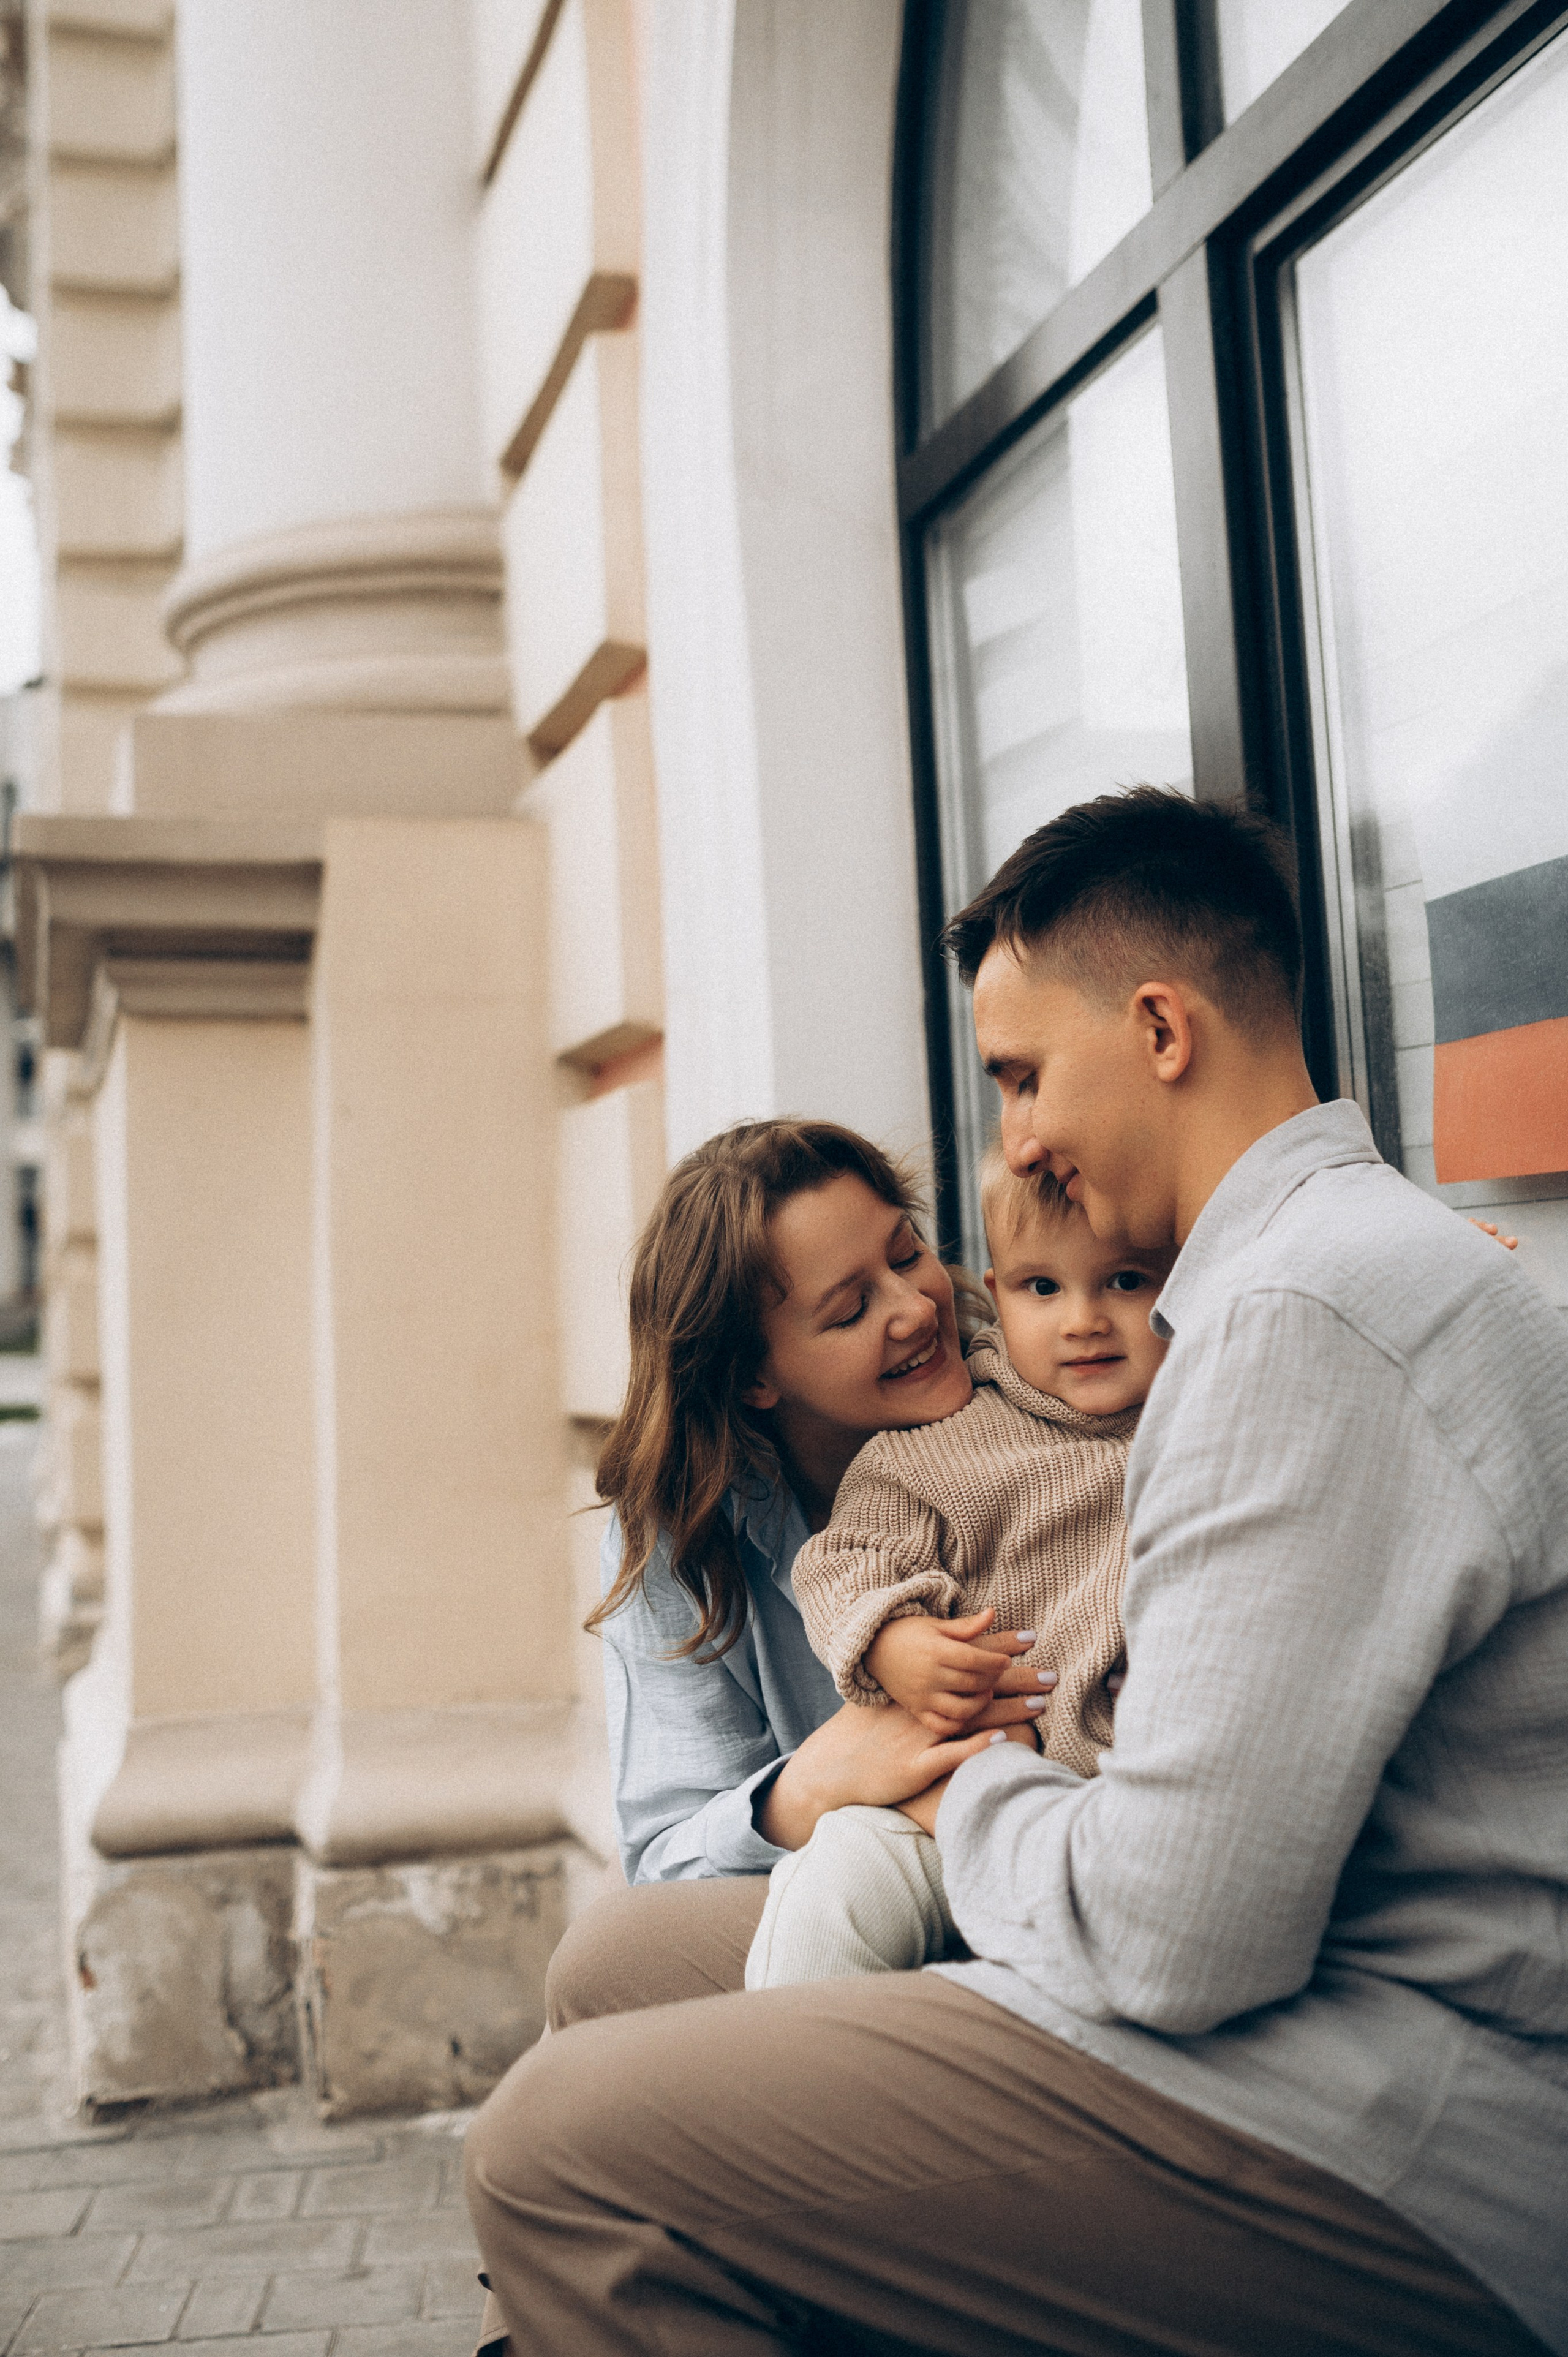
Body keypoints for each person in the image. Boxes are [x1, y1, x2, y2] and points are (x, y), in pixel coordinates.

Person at [467, 788, 1567, 2356]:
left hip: (1403, 2100)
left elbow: (1177, 1941)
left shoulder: (1295, 1315)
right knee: (623, 1963)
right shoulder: (1276, 1281)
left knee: (556, 2148)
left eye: (1021, 1075)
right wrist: (857, 1790)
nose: (1021, 1141)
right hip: (1289, 1989)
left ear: (1159, 1028)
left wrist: (935, 1794)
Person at [564, 1117, 1050, 2014]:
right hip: (840, 1889)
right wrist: (817, 1780)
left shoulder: (1036, 1400)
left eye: (907, 1257)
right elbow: (665, 1853)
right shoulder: (683, 1533)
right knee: (598, 1970)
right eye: (850, 1309)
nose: (912, 1308)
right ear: (756, 1374)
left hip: (1031, 1846)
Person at [747, 1149, 1174, 1988]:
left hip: (1145, 1803)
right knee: (841, 1888)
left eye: (1126, 1281)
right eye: (1042, 1288)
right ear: (1000, 1288)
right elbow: (843, 1563)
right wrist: (895, 1642)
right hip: (977, 1794)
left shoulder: (1212, 1400)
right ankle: (789, 2086)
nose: (1082, 1320)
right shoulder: (932, 1454)